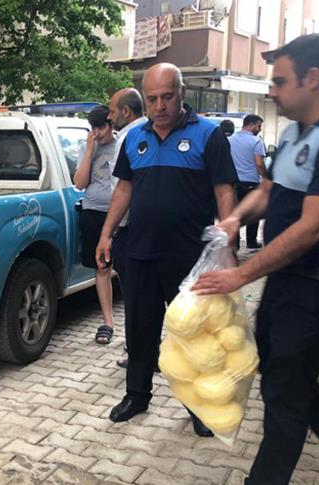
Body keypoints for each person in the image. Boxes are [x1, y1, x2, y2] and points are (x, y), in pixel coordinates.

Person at [193, 34, 319, 485]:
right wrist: (234, 219)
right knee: (284, 374)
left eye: (280, 81)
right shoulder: (297, 130)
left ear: (313, 79)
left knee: (284, 394)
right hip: (287, 283)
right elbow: (268, 191)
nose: (272, 91)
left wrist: (240, 274)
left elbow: (314, 226)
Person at [95, 63, 238, 436]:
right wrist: (106, 233)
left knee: (192, 336)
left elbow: (225, 191)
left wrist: (228, 246)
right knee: (140, 329)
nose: (159, 106)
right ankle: (137, 396)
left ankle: (199, 408)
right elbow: (124, 188)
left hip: (190, 258)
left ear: (182, 93)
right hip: (140, 252)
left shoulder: (208, 135)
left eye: (167, 97)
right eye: (153, 98)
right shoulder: (135, 138)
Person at [106, 88, 147, 369]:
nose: (109, 117)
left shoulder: (130, 137)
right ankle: (146, 349)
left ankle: (139, 352)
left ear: (125, 111)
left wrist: (113, 230)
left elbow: (123, 189)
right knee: (142, 296)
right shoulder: (147, 132)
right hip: (141, 229)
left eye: (111, 112)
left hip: (130, 229)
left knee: (134, 297)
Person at [74, 105, 117, 344]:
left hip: (120, 215)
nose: (97, 133)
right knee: (101, 268)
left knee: (128, 270)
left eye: (101, 127)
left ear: (111, 124)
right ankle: (108, 322)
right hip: (93, 212)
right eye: (94, 128)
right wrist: (89, 152)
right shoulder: (85, 147)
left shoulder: (121, 145)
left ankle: (135, 327)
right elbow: (80, 184)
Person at [228, 114, 267, 250]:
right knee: (253, 213)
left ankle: (236, 243)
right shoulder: (256, 142)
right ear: (250, 125)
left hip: (232, 183)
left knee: (235, 213)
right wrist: (266, 177)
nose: (260, 129)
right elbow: (259, 163)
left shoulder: (229, 140)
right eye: (258, 126)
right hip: (251, 182)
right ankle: (251, 242)